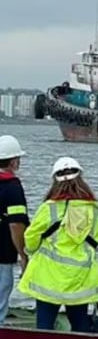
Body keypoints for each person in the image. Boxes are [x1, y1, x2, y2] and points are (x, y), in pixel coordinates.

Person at [19, 156, 98, 331]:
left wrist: (30, 251)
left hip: (47, 278)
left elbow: (31, 237)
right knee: (80, 326)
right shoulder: (93, 210)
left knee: (44, 326)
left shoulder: (49, 208)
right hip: (81, 278)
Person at [0, 134, 29, 323]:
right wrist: (23, 255)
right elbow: (16, 224)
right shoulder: (12, 188)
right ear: (14, 161)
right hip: (2, 254)